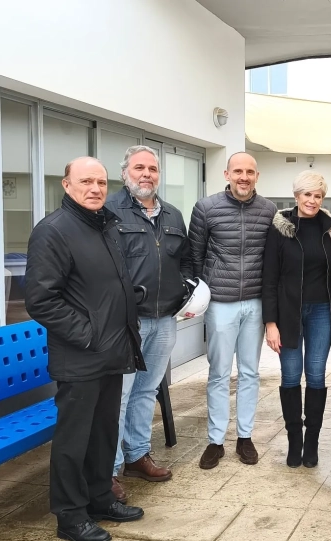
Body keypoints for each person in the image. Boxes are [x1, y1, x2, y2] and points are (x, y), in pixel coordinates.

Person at [24, 157, 145, 541]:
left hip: (111, 351)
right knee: (74, 441)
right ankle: (70, 515)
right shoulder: (54, 231)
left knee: (102, 433)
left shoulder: (104, 224)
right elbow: (41, 300)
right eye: (86, 181)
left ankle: (99, 498)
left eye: (101, 182)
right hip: (81, 355)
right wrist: (90, 335)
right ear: (66, 185)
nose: (95, 188)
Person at [104, 145, 193, 501]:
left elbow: (185, 261)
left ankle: (137, 455)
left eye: (152, 169)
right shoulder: (109, 210)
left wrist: (185, 291)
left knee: (146, 390)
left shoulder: (172, 214)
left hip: (165, 319)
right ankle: (109, 470)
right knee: (119, 396)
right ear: (124, 172)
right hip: (126, 323)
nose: (146, 174)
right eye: (139, 167)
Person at [189, 152, 277, 469]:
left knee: (250, 373)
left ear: (257, 176)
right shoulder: (206, 208)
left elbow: (274, 257)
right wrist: (199, 296)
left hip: (255, 301)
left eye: (249, 172)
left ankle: (244, 437)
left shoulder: (269, 210)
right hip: (220, 303)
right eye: (238, 171)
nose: (244, 177)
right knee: (219, 373)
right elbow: (195, 256)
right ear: (227, 174)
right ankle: (215, 441)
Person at [262, 170, 331, 468]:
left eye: (318, 195)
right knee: (291, 375)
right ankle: (295, 440)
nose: (312, 200)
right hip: (288, 313)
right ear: (296, 196)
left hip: (321, 311)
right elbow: (269, 278)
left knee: (316, 375)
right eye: (307, 194)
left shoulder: (329, 229)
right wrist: (270, 323)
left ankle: (312, 442)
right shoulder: (280, 228)